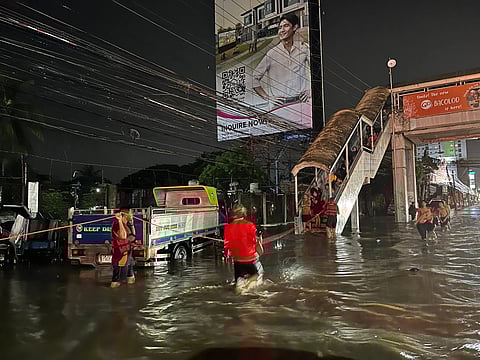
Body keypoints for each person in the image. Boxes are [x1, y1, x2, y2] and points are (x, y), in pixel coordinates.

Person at [252, 13, 310, 106]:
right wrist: (267, 97)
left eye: (286, 26)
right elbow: (254, 78)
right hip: (279, 105)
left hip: (301, 103)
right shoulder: (272, 53)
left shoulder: (303, 48)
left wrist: (311, 90)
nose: (281, 30)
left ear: (295, 27)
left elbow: (318, 70)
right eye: (280, 27)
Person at [223, 205, 263, 283]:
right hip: (250, 259)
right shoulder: (249, 225)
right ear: (244, 213)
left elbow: (227, 246)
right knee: (258, 276)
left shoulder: (228, 228)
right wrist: (260, 249)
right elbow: (256, 243)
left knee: (238, 282)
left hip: (237, 261)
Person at [110, 206, 136, 288]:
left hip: (127, 250)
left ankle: (130, 280)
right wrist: (120, 220)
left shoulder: (126, 224)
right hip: (120, 251)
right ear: (125, 215)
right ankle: (115, 285)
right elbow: (123, 236)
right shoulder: (118, 224)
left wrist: (132, 224)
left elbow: (133, 236)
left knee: (129, 266)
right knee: (117, 271)